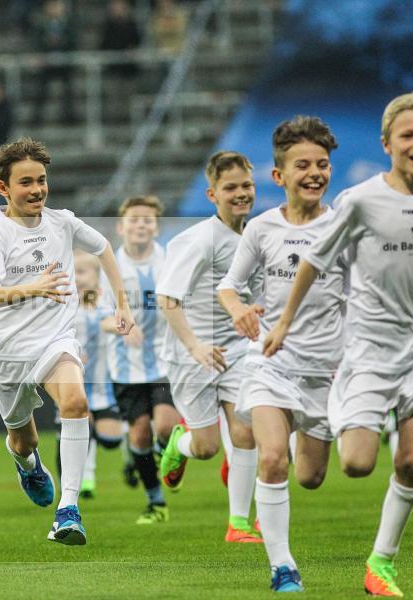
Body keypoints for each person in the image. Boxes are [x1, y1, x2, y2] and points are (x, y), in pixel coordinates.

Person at [264, 91, 413, 597]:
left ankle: (381, 564)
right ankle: (342, 405)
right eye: (409, 135)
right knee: (357, 463)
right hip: (371, 349)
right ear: (386, 142)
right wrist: (283, 323)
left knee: (412, 459)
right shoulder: (360, 200)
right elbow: (314, 263)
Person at [0, 137, 134, 545]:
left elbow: (105, 248)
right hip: (6, 351)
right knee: (24, 440)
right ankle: (27, 465)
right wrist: (34, 287)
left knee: (76, 402)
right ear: (3, 188)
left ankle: (68, 509)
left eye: (41, 180)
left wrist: (122, 304)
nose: (37, 189)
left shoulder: (63, 221)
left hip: (55, 340)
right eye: (26, 182)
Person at [217, 116, 345, 592]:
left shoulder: (344, 229)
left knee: (310, 477)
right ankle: (282, 566)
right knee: (272, 459)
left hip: (326, 371)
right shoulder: (263, 228)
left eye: (323, 165)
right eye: (303, 165)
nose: (314, 173)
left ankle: (300, 433)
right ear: (279, 175)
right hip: (270, 362)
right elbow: (228, 287)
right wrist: (238, 312)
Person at [157, 151, 263, 543]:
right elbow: (167, 299)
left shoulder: (255, 235)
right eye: (231, 187)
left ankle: (238, 524)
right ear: (212, 194)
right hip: (193, 356)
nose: (241, 194)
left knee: (246, 432)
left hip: (238, 352)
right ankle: (178, 445)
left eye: (246, 186)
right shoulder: (199, 240)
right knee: (206, 448)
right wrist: (195, 345)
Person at [103, 195, 179, 524]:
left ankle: (166, 452)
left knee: (165, 425)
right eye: (134, 219)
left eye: (147, 219)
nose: (141, 225)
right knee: (140, 435)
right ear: (121, 227)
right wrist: (121, 324)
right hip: (125, 367)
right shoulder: (109, 268)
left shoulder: (170, 263)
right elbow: (98, 315)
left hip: (165, 361)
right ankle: (155, 500)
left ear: (156, 228)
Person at [68, 250, 125, 499]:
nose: (77, 278)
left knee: (112, 440)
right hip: (71, 385)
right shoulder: (64, 305)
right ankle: (81, 480)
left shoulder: (102, 305)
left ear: (96, 276)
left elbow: (108, 322)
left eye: (82, 272)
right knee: (81, 428)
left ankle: (129, 459)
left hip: (103, 385)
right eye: (73, 272)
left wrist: (124, 328)